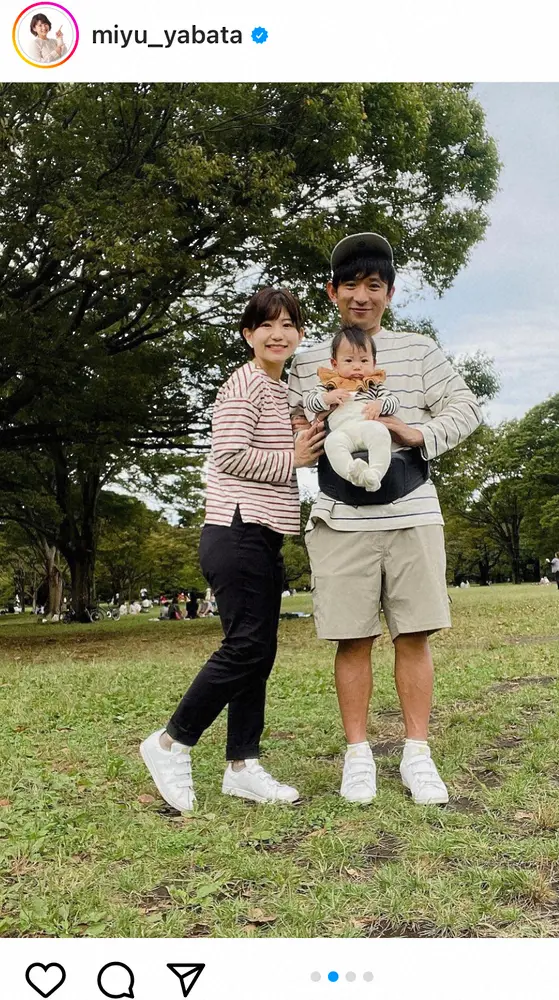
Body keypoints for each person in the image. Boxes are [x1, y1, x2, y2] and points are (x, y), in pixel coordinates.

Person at [289, 233, 483, 805]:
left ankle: (417, 753)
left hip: (412, 507)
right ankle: (358, 756)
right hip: (338, 513)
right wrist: (308, 436)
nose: (362, 296)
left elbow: (466, 408)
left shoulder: (418, 350)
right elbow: (291, 422)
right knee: (351, 638)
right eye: (350, 285)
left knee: (414, 633)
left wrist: (414, 432)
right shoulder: (306, 361)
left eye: (374, 285)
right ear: (332, 292)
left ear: (390, 293)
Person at [140, 287, 325, 810]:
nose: (278, 334)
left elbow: (303, 430)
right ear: (248, 334)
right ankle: (170, 742)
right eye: (266, 324)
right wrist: (292, 459)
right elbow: (228, 455)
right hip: (236, 527)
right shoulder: (244, 384)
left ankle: (242, 766)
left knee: (259, 651)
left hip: (262, 533)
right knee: (246, 647)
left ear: (300, 334)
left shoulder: (281, 388)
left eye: (288, 324)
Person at [305, 325, 399, 492]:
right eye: (349, 361)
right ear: (335, 364)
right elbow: (310, 402)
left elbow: (393, 402)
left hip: (367, 425)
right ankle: (353, 473)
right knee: (332, 443)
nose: (357, 367)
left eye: (364, 361)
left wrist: (379, 404)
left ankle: (375, 474)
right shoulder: (329, 385)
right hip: (341, 431)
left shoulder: (374, 385)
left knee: (380, 433)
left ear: (374, 363)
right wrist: (327, 398)